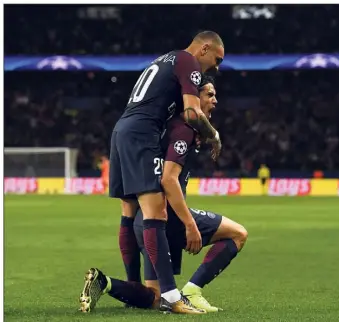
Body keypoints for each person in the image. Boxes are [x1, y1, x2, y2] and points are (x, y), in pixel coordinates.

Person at [79, 77, 248, 313]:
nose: (215, 101)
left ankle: (104, 282)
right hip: (167, 219)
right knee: (238, 234)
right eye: (209, 94)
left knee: (155, 298)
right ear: (192, 97)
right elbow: (168, 180)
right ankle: (192, 290)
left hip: (144, 223)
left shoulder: (166, 127)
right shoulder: (183, 129)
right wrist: (190, 224)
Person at [88, 31, 225, 314]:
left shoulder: (165, 59)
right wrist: (213, 134)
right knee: (156, 213)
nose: (216, 67)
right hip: (142, 134)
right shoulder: (188, 62)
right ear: (205, 48)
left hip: (122, 130)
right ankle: (173, 298)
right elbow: (190, 112)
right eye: (216, 59)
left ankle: (131, 288)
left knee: (128, 213)